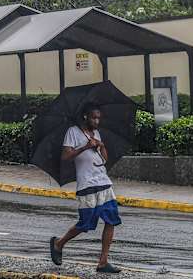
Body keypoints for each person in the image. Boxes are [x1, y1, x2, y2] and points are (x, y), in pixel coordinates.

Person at [49, 103, 122, 274]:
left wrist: (101, 146)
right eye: (94, 117)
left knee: (111, 221)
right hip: (87, 184)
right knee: (85, 224)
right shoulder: (72, 132)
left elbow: (104, 160)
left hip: (103, 181)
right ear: (85, 117)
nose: (97, 121)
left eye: (98, 118)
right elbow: (66, 156)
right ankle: (58, 243)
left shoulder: (96, 133)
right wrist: (84, 147)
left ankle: (103, 262)